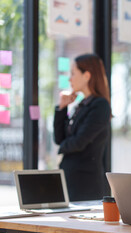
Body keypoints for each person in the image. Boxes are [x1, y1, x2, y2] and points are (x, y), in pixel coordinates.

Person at [54, 53, 111, 201]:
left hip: (85, 185)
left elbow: (79, 142)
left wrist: (62, 148)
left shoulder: (100, 105)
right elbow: (59, 138)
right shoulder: (80, 105)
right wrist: (62, 108)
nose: (69, 79)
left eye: (73, 73)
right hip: (69, 180)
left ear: (87, 75)